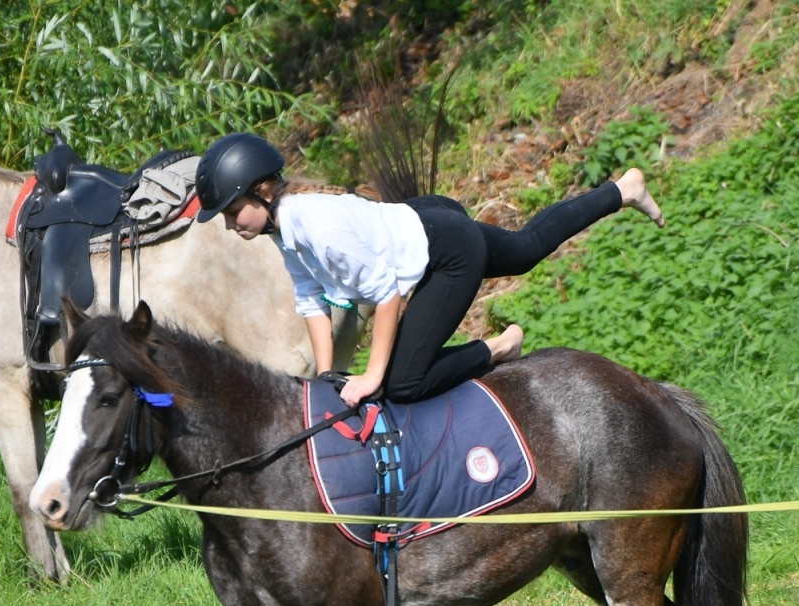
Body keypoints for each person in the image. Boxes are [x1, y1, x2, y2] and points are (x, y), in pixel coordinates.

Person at [194, 133, 665, 407]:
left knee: (402, 385)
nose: (232, 224)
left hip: (446, 252)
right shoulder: (284, 227)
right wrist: (326, 376)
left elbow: (385, 294)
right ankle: (622, 190)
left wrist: (373, 375)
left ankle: (499, 347)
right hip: (426, 223)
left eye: (234, 212)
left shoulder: (314, 224)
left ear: (263, 192)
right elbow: (312, 302)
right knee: (524, 250)